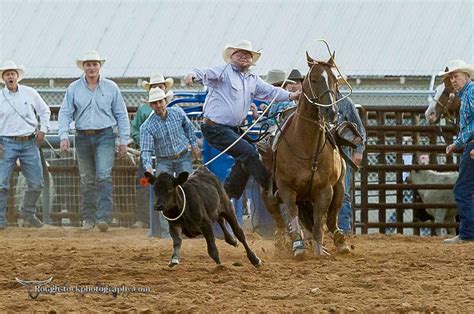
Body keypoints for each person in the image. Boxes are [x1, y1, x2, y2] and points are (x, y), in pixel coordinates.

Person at [184, 39, 300, 200]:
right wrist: (193, 75)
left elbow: (271, 91)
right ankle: (271, 187)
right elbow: (205, 72)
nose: (244, 57)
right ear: (232, 56)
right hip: (215, 128)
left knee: (249, 154)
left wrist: (291, 95)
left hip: (232, 128)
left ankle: (228, 194)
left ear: (252, 60)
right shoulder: (224, 71)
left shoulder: (253, 79)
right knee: (249, 153)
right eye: (240, 53)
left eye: (248, 54)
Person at [58, 50, 130, 232]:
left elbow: (121, 115)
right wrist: (64, 136)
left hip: (105, 134)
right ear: (84, 67)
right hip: (82, 135)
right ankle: (88, 218)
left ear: (99, 66)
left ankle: (103, 217)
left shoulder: (111, 87)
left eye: (94, 64)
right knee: (87, 179)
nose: (91, 67)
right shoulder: (73, 88)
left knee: (103, 176)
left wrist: (123, 141)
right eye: (88, 64)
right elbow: (65, 112)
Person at [0, 60, 51, 229]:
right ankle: (0, 219)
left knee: (37, 182)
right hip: (6, 142)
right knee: (1, 183)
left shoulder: (30, 93)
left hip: (29, 141)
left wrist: (43, 129)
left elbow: (44, 110)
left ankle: (28, 212)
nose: (10, 77)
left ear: (17, 76)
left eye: (12, 74)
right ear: (3, 78)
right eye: (7, 74)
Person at [130, 74, 173, 229]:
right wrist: (144, 143)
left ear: (165, 88)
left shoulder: (173, 107)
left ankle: (168, 219)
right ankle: (143, 218)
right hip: (148, 154)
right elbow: (135, 129)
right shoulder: (143, 109)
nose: (157, 89)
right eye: (154, 87)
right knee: (143, 183)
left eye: (160, 86)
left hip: (166, 155)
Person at [442, 59, 474, 243]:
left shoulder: (471, 92)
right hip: (469, 143)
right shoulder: (468, 92)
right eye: (451, 77)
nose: (453, 80)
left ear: (466, 76)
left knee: (462, 189)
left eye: (456, 76)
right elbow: (470, 125)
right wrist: (457, 143)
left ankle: (468, 234)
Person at [140, 87, 200, 178]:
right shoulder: (147, 126)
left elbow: (188, 127)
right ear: (151, 106)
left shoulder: (178, 113)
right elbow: (146, 149)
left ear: (165, 101)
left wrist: (194, 145)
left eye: (160, 101)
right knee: (163, 188)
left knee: (187, 185)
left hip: (183, 156)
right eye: (155, 103)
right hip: (164, 160)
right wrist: (148, 166)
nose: (159, 105)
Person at [334, 73, 366, 234]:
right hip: (325, 153)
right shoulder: (320, 104)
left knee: (343, 191)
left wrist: (359, 150)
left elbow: (360, 130)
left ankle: (344, 229)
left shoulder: (346, 104)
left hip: (342, 153)